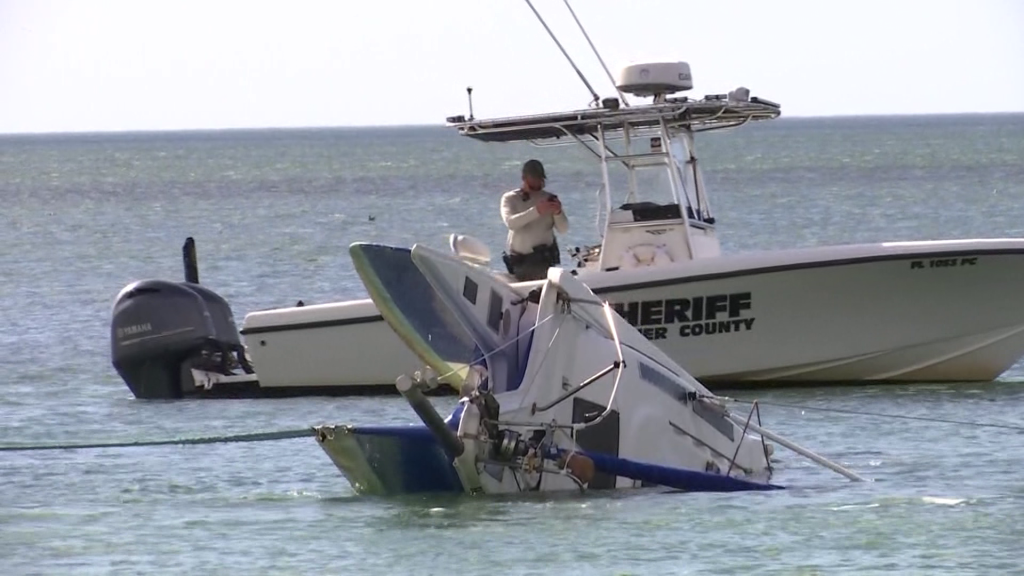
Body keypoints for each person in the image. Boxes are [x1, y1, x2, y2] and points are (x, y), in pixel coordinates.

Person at [500, 159, 569, 281]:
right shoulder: (510, 199)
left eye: (539, 178)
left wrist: (558, 212)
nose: (537, 181)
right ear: (524, 178)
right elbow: (511, 223)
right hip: (521, 261)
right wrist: (536, 211)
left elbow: (563, 229)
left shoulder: (549, 198)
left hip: (544, 260)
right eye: (534, 178)